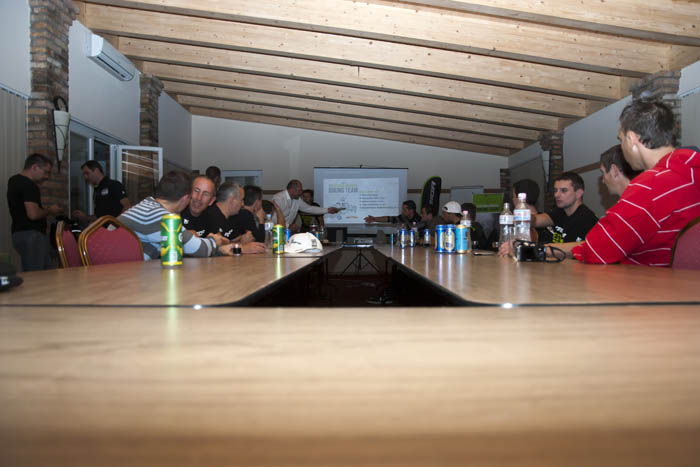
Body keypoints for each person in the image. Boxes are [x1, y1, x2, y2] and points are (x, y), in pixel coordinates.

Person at [569, 100, 700, 266]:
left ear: (631, 139)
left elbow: (596, 250)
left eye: (621, 139)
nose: (622, 147)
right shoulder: (690, 171)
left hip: (650, 281)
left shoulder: (652, 184)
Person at [118, 171, 240, 260]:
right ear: (185, 199)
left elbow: (174, 248)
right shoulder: (163, 218)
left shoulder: (146, 206)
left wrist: (216, 249)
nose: (197, 198)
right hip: (121, 276)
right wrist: (214, 241)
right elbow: (199, 249)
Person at [7, 153, 63, 271]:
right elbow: (33, 215)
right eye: (46, 172)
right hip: (32, 235)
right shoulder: (29, 185)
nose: (47, 176)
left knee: (39, 272)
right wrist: (50, 210)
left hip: (19, 233)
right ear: (34, 167)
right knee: (37, 275)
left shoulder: (13, 181)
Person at [533, 172, 598, 244]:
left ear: (578, 193)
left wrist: (546, 248)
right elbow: (538, 220)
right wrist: (524, 216)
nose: (556, 195)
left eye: (563, 190)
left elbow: (577, 248)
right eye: (555, 190)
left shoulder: (588, 220)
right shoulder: (560, 211)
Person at [72, 160, 131, 225]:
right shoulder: (97, 190)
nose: (85, 177)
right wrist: (85, 217)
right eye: (84, 174)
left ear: (96, 170)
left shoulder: (114, 185)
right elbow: (99, 216)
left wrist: (115, 225)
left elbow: (127, 207)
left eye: (87, 173)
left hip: (116, 228)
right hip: (102, 229)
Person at [273, 179, 340, 232]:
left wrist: (327, 210)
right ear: (292, 190)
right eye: (300, 190)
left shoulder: (297, 200)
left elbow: (309, 208)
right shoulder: (279, 198)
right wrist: (289, 226)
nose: (301, 193)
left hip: (286, 231)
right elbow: (273, 219)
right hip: (275, 231)